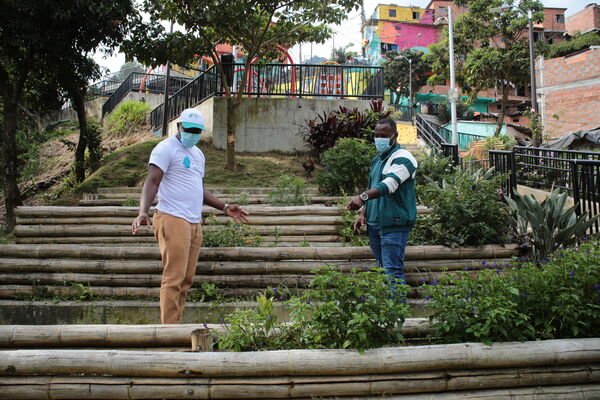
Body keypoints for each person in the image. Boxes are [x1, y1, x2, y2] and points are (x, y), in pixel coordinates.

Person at [132, 108, 249, 324]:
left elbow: (198, 189)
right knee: (174, 278)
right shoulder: (165, 148)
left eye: (197, 130)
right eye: (189, 129)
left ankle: (176, 329)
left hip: (193, 222)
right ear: (179, 127)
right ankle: (169, 337)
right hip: (172, 217)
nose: (193, 134)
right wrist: (142, 211)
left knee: (186, 280)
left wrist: (224, 207)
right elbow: (152, 181)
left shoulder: (198, 154)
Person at [346, 118, 418, 289]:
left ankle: (396, 314)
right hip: (375, 223)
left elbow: (389, 185)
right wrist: (364, 212)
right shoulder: (377, 160)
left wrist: (362, 197)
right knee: (382, 270)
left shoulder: (404, 158)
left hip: (394, 223)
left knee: (392, 271)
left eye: (383, 135)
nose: (379, 139)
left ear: (395, 136)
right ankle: (385, 310)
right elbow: (373, 187)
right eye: (376, 135)